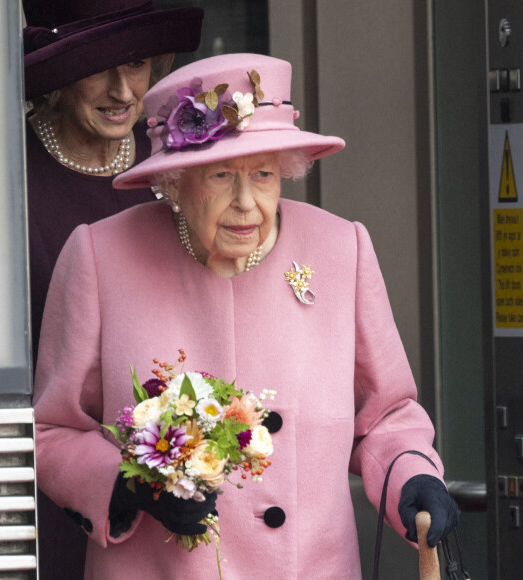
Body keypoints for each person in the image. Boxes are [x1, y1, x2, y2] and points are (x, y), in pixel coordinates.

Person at [33, 53, 459, 579]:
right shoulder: (101, 257)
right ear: (175, 181)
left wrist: (413, 477)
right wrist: (127, 488)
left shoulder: (339, 249)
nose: (246, 202)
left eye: (263, 174)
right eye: (220, 175)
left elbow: (387, 419)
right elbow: (53, 431)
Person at [23, 1, 203, 578]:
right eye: (99, 67)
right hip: (46, 486)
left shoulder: (181, 166)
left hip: (176, 488)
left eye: (138, 64)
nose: (123, 90)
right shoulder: (7, 175)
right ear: (56, 76)